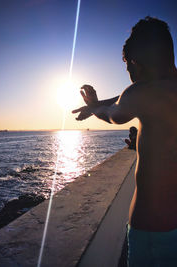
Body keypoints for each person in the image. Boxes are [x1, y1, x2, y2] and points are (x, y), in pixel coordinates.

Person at [72, 16, 177, 266]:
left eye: (128, 68)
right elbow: (128, 97)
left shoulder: (141, 93)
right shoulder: (161, 91)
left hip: (151, 236)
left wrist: (95, 107)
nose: (129, 74)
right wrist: (101, 103)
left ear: (135, 63)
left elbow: (114, 114)